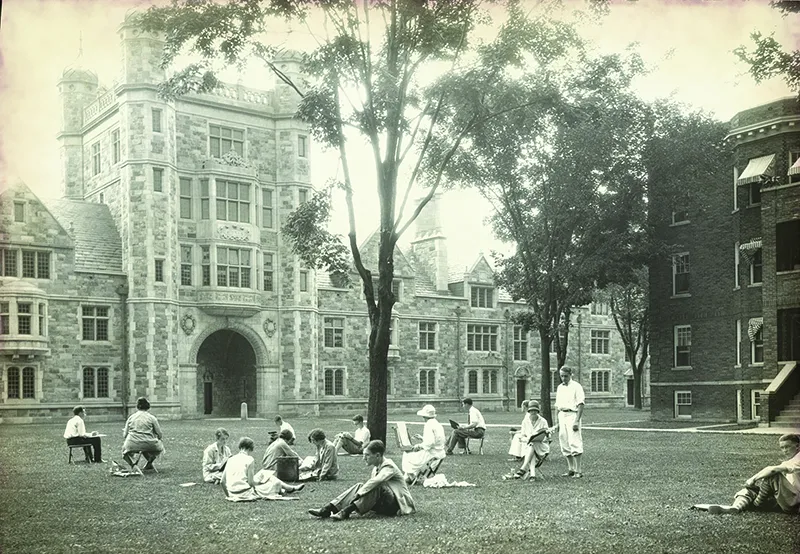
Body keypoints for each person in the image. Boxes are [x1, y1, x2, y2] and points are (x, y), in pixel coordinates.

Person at [308, 440, 415, 520]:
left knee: (376, 486)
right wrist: (360, 492)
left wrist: (359, 494)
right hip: (384, 504)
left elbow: (376, 482)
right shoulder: (376, 467)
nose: (364, 458)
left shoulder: (389, 466)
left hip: (397, 506)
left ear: (377, 455)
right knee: (360, 485)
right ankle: (327, 509)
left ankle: (346, 511)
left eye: (367, 455)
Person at [705, 433, 800, 515]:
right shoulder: (791, 460)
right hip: (788, 499)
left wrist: (753, 479)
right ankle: (735, 508)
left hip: (796, 503)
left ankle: (756, 505)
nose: (784, 450)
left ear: (797, 446)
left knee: (773, 476)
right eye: (782, 448)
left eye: (787, 447)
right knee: (749, 490)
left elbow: (773, 470)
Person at [221, 437, 303, 502]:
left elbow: (222, 481)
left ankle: (288, 488)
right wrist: (259, 482)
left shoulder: (230, 459)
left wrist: (228, 495)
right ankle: (289, 488)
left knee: (264, 473)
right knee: (274, 482)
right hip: (245, 493)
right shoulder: (249, 459)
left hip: (232, 493)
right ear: (250, 449)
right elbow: (251, 483)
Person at [503, 400, 551, 480]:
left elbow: (547, 436)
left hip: (542, 447)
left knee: (533, 444)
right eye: (531, 411)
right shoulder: (525, 421)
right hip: (528, 446)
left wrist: (544, 436)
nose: (533, 413)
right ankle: (532, 475)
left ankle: (523, 468)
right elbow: (522, 436)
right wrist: (527, 439)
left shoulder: (543, 421)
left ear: (538, 411)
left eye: (535, 411)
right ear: (529, 411)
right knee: (532, 445)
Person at [401, 404, 446, 483]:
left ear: (424, 416)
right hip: (440, 453)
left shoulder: (429, 425)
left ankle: (410, 477)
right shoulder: (438, 424)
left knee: (407, 454)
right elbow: (437, 440)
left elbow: (429, 443)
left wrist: (418, 445)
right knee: (413, 454)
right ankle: (410, 476)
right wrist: (422, 438)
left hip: (432, 454)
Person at [554, 365, 585, 478]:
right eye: (561, 376)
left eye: (565, 376)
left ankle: (578, 470)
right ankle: (571, 469)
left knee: (574, 441)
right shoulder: (560, 388)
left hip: (572, 415)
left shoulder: (576, 386)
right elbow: (557, 406)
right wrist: (556, 422)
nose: (563, 378)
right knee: (564, 441)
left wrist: (577, 421)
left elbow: (580, 404)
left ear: (571, 375)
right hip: (562, 415)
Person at [122, 397, 164, 474]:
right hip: (150, 444)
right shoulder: (152, 418)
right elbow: (159, 434)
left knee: (124, 452)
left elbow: (125, 435)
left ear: (137, 406)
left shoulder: (131, 417)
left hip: (132, 444)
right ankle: (150, 461)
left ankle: (134, 466)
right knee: (148, 446)